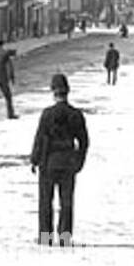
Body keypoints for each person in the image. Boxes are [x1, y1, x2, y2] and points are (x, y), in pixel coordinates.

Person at [30, 73, 89, 246]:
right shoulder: (76, 114)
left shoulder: (47, 114)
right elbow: (84, 141)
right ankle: (64, 238)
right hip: (68, 162)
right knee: (67, 201)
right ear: (68, 92)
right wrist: (79, 161)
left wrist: (34, 159)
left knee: (45, 201)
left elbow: (39, 138)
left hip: (48, 161)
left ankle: (45, 237)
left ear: (53, 92)